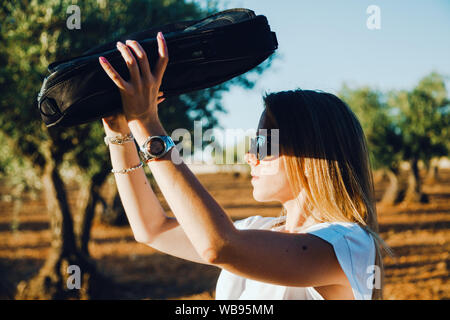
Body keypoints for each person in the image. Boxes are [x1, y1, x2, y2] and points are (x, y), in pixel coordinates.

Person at [98, 32, 387, 300]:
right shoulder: (258, 228)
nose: (250, 156)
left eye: (263, 145)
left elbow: (218, 246)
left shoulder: (349, 245)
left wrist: (148, 123)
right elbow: (152, 228)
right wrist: (120, 133)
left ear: (312, 158)